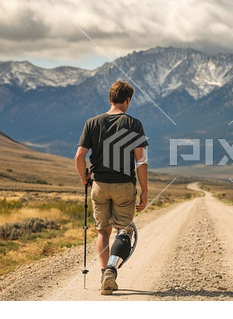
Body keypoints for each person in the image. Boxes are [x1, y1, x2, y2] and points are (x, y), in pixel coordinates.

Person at [74, 80, 148, 295]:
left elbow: (80, 156)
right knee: (123, 231)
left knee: (103, 231)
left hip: (98, 185)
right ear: (128, 100)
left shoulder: (92, 122)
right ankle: (110, 272)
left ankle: (103, 274)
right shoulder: (134, 124)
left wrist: (83, 178)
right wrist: (144, 191)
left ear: (110, 99)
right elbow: (141, 162)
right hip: (124, 184)